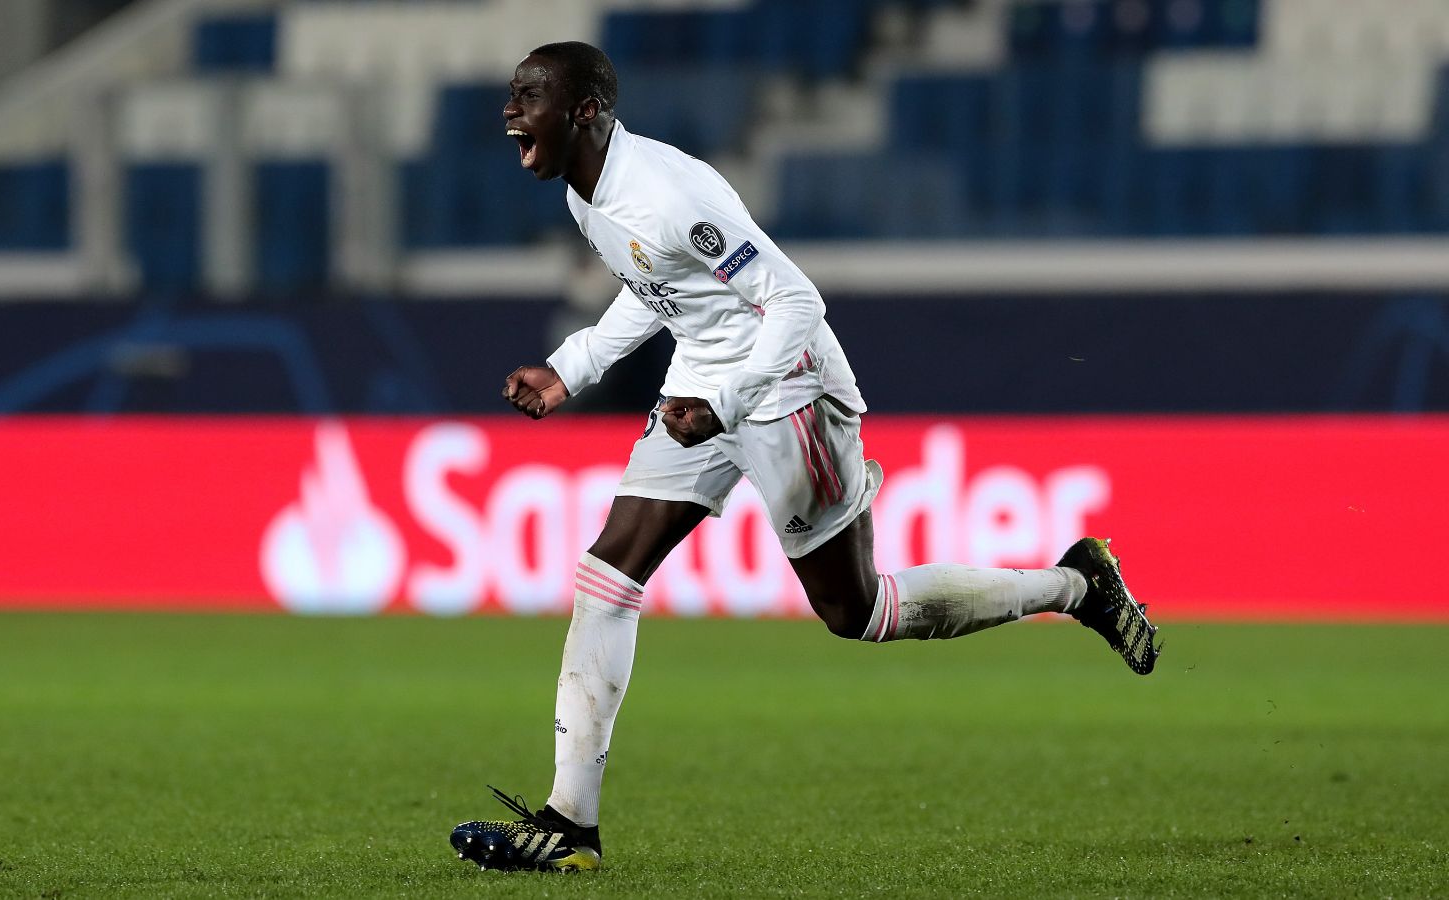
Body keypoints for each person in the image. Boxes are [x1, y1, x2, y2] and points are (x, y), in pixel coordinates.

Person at [450, 41, 1159, 874]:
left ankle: (1077, 584)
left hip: (788, 388)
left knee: (858, 611)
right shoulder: (587, 195)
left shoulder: (669, 193)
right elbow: (656, 291)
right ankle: (572, 827)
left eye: (528, 94)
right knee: (608, 574)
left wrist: (724, 401)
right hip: (706, 383)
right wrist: (573, 369)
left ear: (584, 112)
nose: (509, 110)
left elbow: (793, 298)